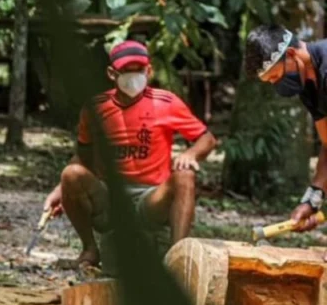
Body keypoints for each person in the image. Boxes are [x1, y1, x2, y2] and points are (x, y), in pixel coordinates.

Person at [43, 40, 217, 268]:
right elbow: (83, 157)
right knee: (71, 174)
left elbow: (208, 138)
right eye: (126, 71)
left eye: (139, 70)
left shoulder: (166, 103)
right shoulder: (96, 108)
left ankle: (178, 259)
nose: (133, 76)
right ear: (112, 73)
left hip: (152, 197)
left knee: (185, 176)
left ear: (149, 71)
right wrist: (62, 188)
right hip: (110, 198)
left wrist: (191, 154)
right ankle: (89, 250)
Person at [245, 25, 327, 232]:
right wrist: (313, 199)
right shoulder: (309, 86)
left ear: (291, 54)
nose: (276, 85)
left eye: (276, 76)